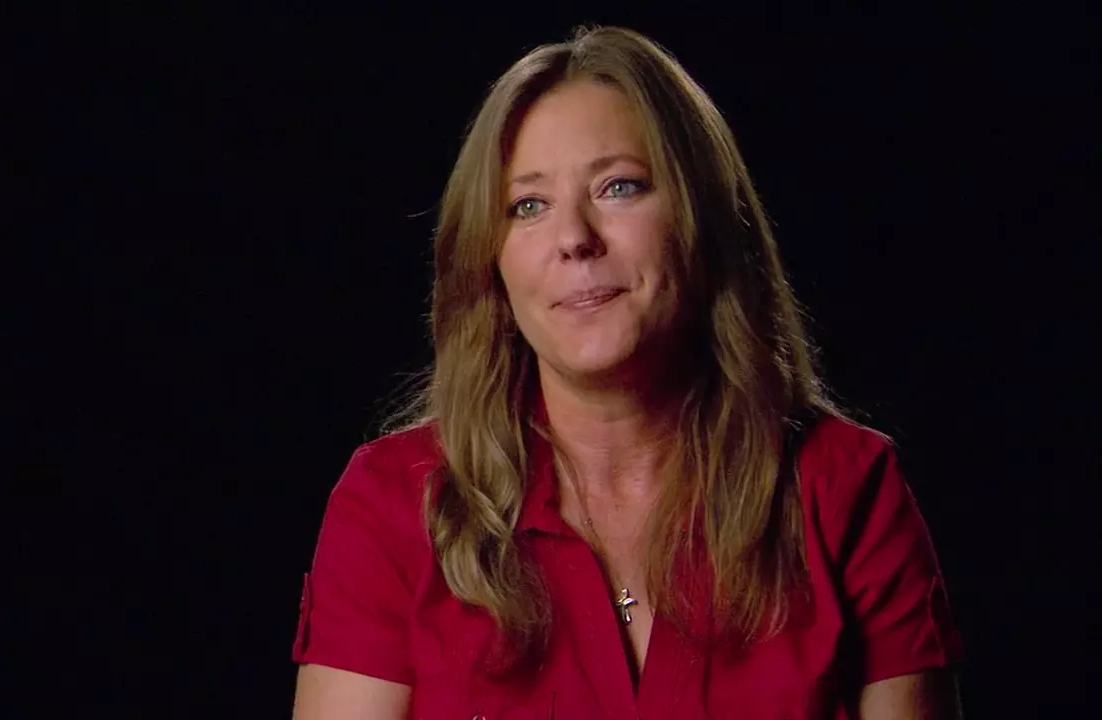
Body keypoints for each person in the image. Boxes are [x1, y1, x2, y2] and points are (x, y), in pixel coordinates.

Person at [291, 25, 964, 720]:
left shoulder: (847, 490)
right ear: (489, 261)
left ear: (703, 219)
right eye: (528, 206)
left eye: (619, 187)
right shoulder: (391, 504)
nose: (574, 238)